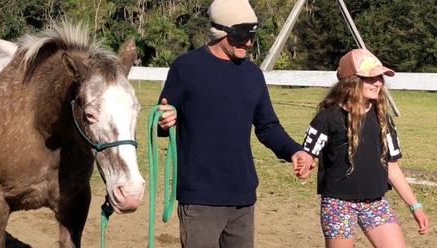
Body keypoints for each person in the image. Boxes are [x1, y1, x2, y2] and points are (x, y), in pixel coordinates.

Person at [156, 0, 315, 247]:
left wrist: (294, 150)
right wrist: (165, 120)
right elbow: (162, 117)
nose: (249, 42)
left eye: (252, 34)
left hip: (243, 197)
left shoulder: (253, 75)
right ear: (220, 31)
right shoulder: (185, 68)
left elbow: (267, 126)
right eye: (241, 35)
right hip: (201, 199)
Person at [301, 48, 429, 247]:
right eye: (369, 78)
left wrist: (415, 206)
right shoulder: (327, 118)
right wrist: (304, 164)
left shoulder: (382, 119)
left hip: (375, 203)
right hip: (338, 205)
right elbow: (306, 155)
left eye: (379, 77)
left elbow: (392, 169)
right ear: (350, 81)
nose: (377, 82)